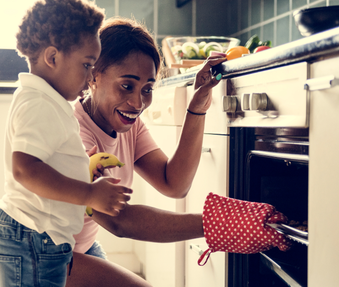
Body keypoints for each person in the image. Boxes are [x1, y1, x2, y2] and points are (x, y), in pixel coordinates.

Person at [66, 18, 290, 287]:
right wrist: (222, 223)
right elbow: (119, 222)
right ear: (94, 76)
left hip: (80, 247)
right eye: (127, 86)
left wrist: (198, 105)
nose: (138, 103)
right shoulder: (75, 134)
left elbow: (174, 183)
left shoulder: (130, 126)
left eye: (147, 89)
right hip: (38, 250)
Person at [0, 2, 133, 287]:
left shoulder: (47, 101)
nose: (90, 76)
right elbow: (25, 169)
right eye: (86, 65)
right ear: (52, 57)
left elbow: (43, 162)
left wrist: (79, 169)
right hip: (30, 237)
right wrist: (88, 193)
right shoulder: (40, 103)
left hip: (34, 237)